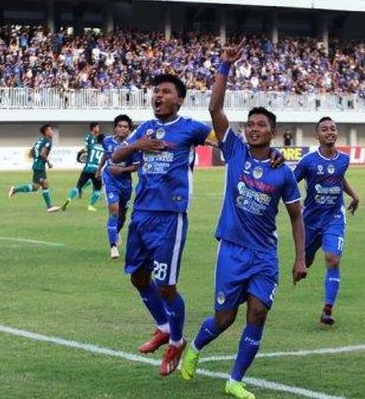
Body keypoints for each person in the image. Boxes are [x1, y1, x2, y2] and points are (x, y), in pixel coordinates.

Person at [180, 42, 307, 399]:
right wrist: (224, 66)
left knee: (258, 314)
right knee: (224, 320)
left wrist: (299, 258)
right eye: (250, 124)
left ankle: (235, 379)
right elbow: (215, 107)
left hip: (265, 255)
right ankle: (195, 349)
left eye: (260, 125)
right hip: (232, 251)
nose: (253, 129)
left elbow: (297, 216)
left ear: (272, 132)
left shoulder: (283, 172)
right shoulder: (234, 149)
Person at [111, 74, 216, 376]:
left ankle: (177, 341)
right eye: (155, 91)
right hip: (141, 214)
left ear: (179, 99)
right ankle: (163, 327)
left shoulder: (191, 128)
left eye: (165, 91)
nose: (158, 95)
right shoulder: (145, 128)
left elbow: (223, 139)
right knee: (139, 279)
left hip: (170, 215)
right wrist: (137, 145)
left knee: (166, 286)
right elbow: (116, 155)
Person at [294, 117, 360, 325]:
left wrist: (354, 195)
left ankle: (327, 309)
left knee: (333, 259)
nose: (329, 132)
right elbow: (289, 182)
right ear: (317, 135)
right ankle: (303, 263)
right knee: (306, 261)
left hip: (334, 218)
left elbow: (339, 178)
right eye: (325, 129)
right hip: (310, 220)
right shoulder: (308, 162)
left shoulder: (344, 159)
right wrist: (295, 204)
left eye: (333, 129)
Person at [98, 115, 139, 259]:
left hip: (125, 183)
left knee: (122, 214)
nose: (122, 129)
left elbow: (135, 167)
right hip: (110, 179)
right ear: (115, 128)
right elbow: (105, 154)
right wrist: (99, 169)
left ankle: (116, 233)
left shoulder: (133, 145)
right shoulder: (107, 141)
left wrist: (122, 170)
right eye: (120, 126)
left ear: (129, 129)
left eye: (125, 127)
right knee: (114, 210)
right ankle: (113, 247)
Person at [7, 124, 61, 212]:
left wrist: (36, 159)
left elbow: (31, 153)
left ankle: (15, 190)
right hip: (40, 166)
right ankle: (49, 207)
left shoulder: (39, 141)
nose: (52, 132)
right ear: (46, 132)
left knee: (36, 187)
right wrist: (49, 163)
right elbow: (43, 153)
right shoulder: (48, 141)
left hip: (36, 165)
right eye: (50, 130)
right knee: (45, 184)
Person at [61, 133, 106, 213]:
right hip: (97, 170)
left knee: (78, 186)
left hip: (87, 168)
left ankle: (69, 198)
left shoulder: (91, 146)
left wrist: (79, 159)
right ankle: (91, 206)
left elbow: (80, 152)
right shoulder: (105, 148)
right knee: (97, 189)